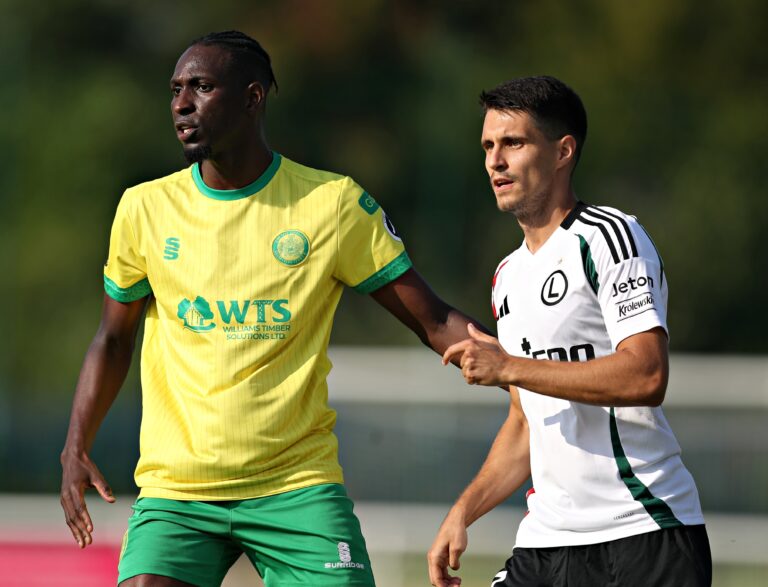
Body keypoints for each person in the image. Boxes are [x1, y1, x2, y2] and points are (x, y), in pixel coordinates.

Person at [60, 30, 486, 587]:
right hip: (179, 491)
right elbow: (112, 340)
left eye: (202, 87)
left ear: (253, 98)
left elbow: (432, 319)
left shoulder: (329, 204)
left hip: (296, 486)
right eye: (175, 90)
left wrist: (530, 372)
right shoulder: (145, 208)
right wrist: (75, 445)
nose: (182, 104)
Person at [427, 76, 711, 587]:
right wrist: (464, 511)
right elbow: (525, 423)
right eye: (489, 146)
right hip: (547, 541)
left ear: (562, 152)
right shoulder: (507, 277)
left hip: (642, 534)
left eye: (513, 143)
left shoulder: (610, 237)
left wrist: (509, 365)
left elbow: (646, 374)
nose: (495, 161)